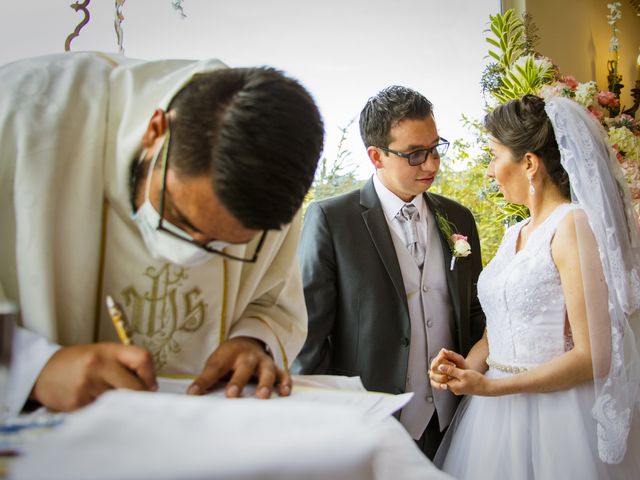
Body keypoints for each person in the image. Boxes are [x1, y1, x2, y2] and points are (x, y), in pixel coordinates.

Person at [0, 51, 324, 414]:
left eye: (224, 244)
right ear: (155, 131)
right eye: (180, 220)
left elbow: (273, 301)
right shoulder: (21, 112)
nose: (190, 255)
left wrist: (253, 342)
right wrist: (32, 369)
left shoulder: (273, 175)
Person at [431, 94, 640, 478]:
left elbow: (594, 356)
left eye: (494, 156)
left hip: (557, 418)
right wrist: (466, 369)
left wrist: (493, 388)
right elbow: (495, 338)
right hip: (494, 417)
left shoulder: (572, 226)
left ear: (529, 163)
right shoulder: (514, 235)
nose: (490, 171)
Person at [292, 85, 486, 458]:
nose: (431, 164)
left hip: (455, 420)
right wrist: (330, 419)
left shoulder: (458, 217)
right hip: (368, 423)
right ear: (376, 156)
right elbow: (309, 337)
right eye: (415, 154)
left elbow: (475, 311)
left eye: (434, 148)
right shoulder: (332, 220)